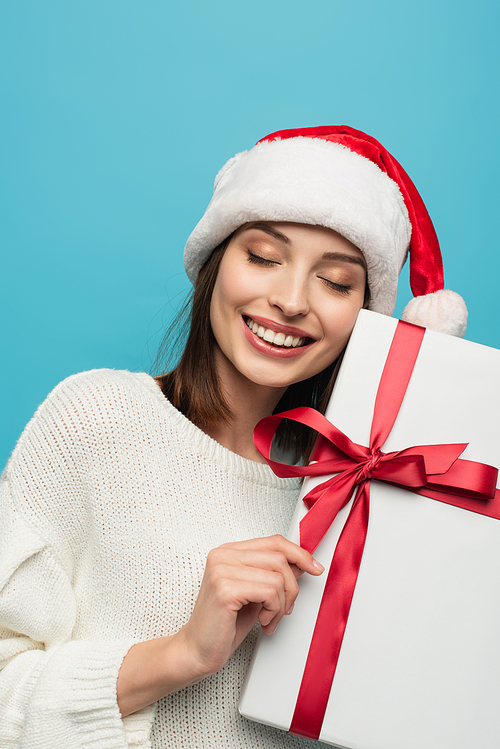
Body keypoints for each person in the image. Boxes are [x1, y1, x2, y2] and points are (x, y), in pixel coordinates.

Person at [0, 126, 467, 748]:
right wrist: (183, 654)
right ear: (215, 264)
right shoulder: (95, 419)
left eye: (336, 281)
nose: (291, 300)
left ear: (367, 319)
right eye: (264, 257)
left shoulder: (362, 494)